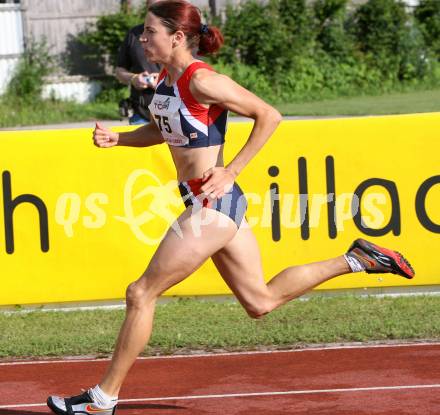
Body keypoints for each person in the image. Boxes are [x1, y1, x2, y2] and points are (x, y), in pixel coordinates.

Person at [47, 1, 415, 414]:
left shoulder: (202, 80)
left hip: (214, 202)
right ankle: (357, 260)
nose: (141, 38)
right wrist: (120, 139)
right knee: (259, 301)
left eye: (149, 31)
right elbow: (162, 130)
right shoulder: (166, 81)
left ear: (177, 37)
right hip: (211, 203)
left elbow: (269, 116)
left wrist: (232, 170)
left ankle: (102, 399)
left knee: (140, 292)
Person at [115, 0, 161, 125]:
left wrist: (165, 81)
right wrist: (134, 78)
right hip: (141, 114)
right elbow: (119, 71)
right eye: (151, 7)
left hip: (175, 115)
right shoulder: (134, 34)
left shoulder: (181, 34)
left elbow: (193, 72)